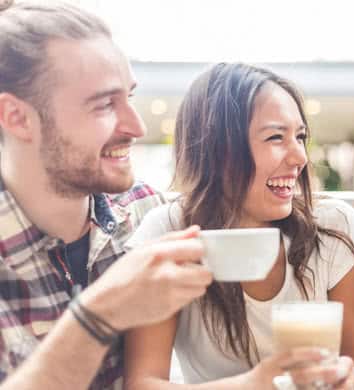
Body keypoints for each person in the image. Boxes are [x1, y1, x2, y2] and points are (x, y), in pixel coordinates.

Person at [123, 63, 354, 389]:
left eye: (300, 136)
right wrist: (257, 384)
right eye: (276, 137)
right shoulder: (169, 232)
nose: (299, 157)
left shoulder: (334, 227)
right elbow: (142, 384)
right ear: (218, 150)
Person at [0, 2, 213, 389]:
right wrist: (97, 316)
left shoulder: (148, 212)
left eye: (129, 97)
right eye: (103, 105)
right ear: (17, 118)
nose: (137, 126)